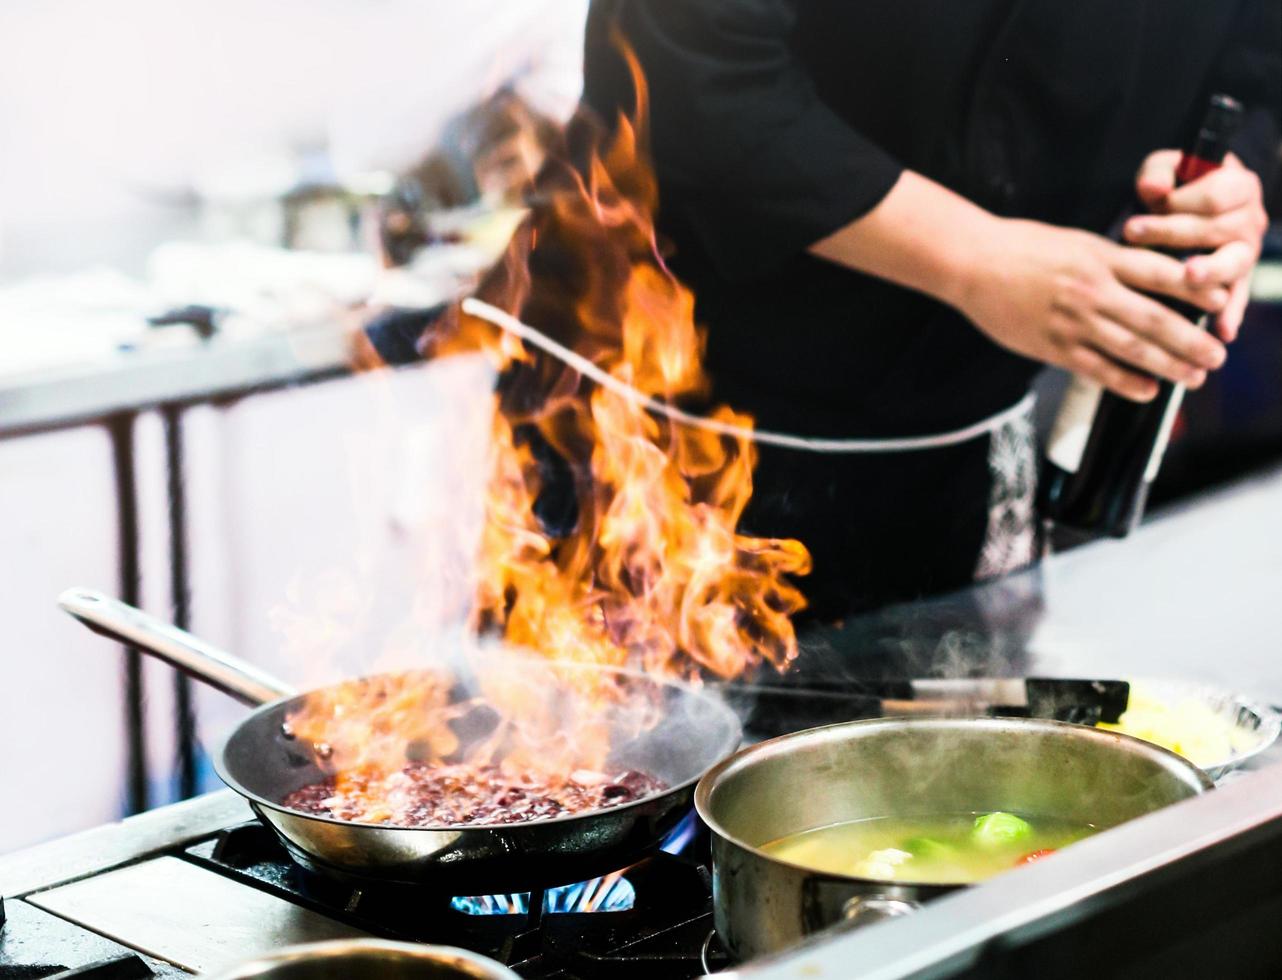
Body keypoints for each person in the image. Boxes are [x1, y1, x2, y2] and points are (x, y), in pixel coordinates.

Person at [581, 0, 1279, 618]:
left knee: (956, 760)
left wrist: (1233, 184)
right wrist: (975, 259)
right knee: (617, 761)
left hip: (967, 454)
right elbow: (686, 71)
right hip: (659, 433)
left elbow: (1255, 77)